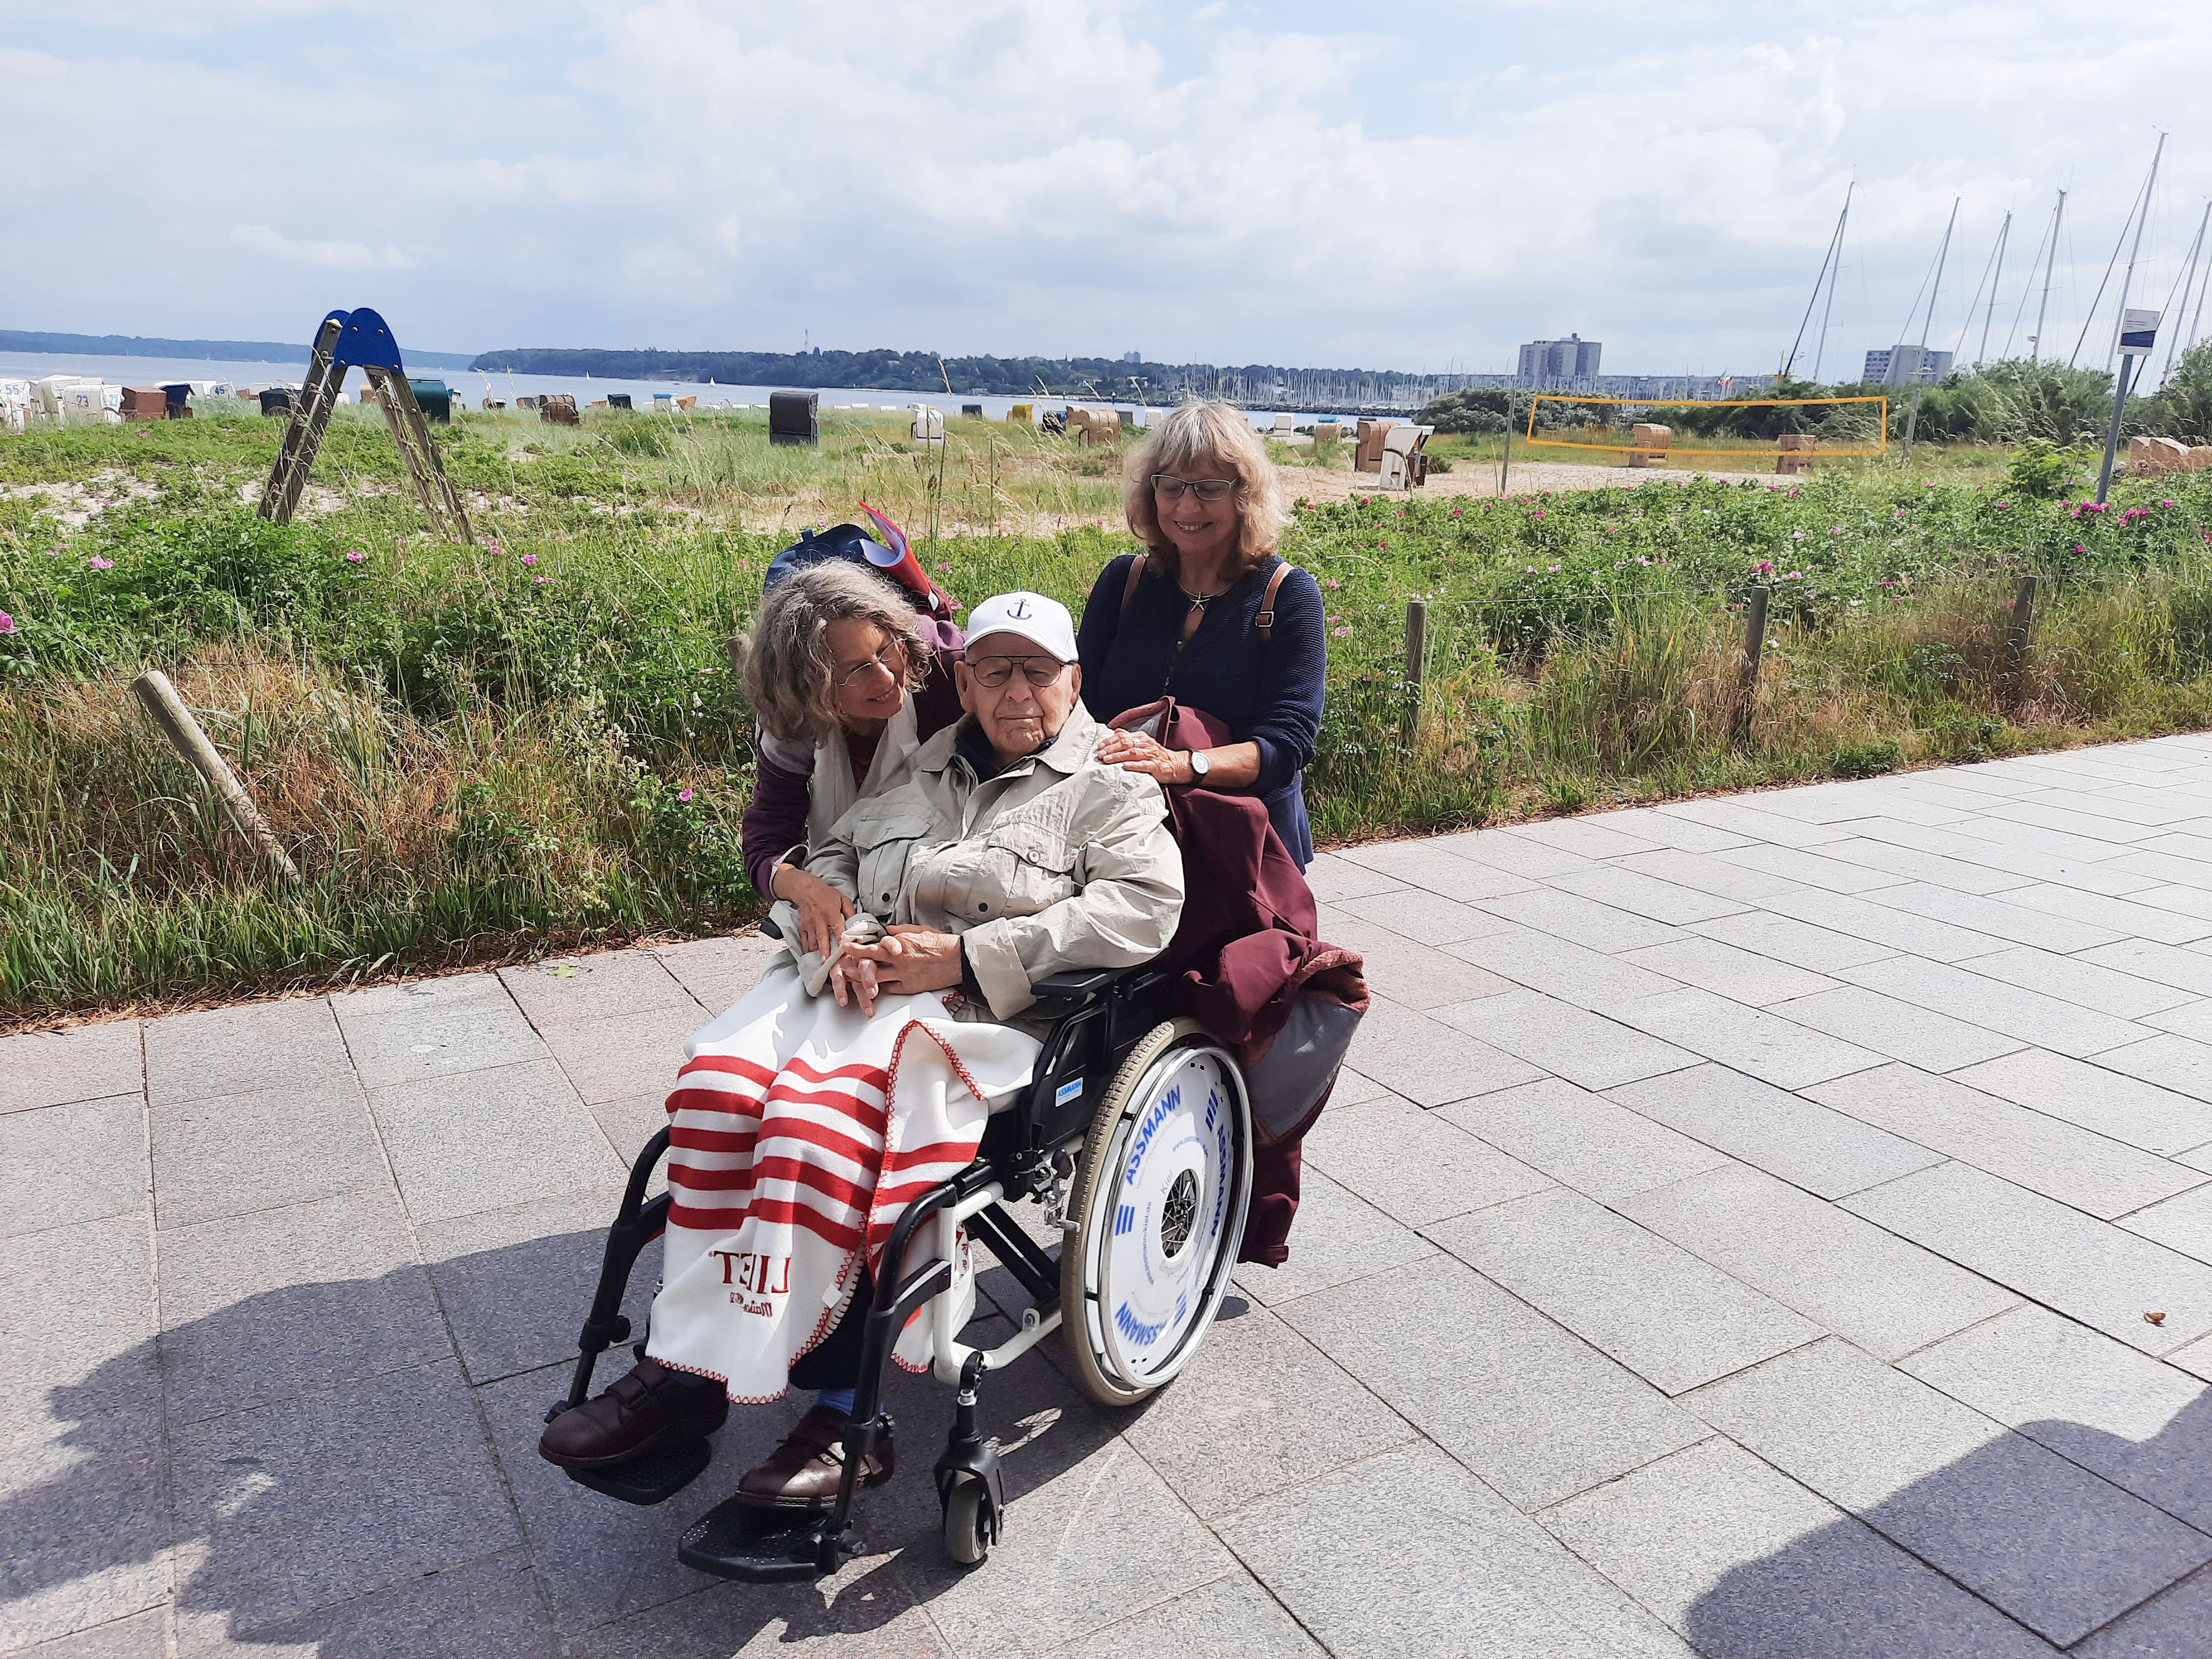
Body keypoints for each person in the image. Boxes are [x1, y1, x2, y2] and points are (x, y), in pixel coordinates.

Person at [539, 591, 1183, 1509]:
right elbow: (832, 853)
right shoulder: (927, 763)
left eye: (1038, 670)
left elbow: (1144, 908)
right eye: (995, 670)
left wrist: (966, 954)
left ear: (1073, 681)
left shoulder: (1110, 784)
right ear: (965, 681)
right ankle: (690, 1366)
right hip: (858, 990)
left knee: (813, 1126)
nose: (1016, 689)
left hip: (979, 1015)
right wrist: (836, 934)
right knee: (716, 1091)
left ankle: (849, 1410)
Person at [1076, 398, 1327, 867]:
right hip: (1121, 838)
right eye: (1171, 486)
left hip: (1242, 852)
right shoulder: (1124, 583)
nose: (1187, 506)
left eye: (1209, 488)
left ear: (1245, 495)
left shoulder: (1287, 594)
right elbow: (1079, 707)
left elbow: (1286, 745)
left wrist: (1181, 764)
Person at [736, 558, 963, 961]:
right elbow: (769, 833)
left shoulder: (949, 670)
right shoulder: (792, 716)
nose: (887, 678)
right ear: (810, 687)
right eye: (856, 670)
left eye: (885, 649)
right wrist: (803, 886)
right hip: (849, 887)